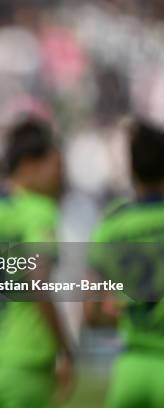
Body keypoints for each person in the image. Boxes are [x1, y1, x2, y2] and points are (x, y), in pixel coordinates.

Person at [0, 117, 74, 408]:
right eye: (56, 167)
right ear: (31, 165)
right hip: (24, 360)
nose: (61, 178)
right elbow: (37, 278)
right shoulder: (38, 210)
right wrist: (65, 348)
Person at [85, 118, 164, 407]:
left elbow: (92, 313)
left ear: (132, 170)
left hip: (130, 372)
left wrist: (130, 314)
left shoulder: (113, 224)